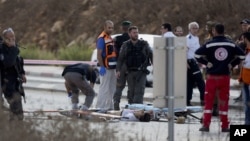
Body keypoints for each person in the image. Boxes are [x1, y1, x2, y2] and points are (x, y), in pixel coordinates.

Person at [195, 23, 245, 132]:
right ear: (223, 31)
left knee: (209, 101)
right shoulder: (231, 44)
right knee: (224, 101)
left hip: (211, 77)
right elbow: (242, 56)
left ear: (214, 31)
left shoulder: (209, 44)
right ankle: (225, 126)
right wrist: (231, 64)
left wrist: (207, 63)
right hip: (225, 76)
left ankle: (206, 125)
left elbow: (197, 55)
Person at [117, 26, 153, 104]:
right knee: (131, 92)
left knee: (139, 92)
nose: (136, 34)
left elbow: (151, 54)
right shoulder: (125, 45)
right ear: (129, 34)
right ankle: (131, 109)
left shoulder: (144, 44)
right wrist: (118, 70)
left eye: (137, 32)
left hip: (141, 72)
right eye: (134, 33)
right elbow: (120, 59)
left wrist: (155, 66)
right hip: (130, 72)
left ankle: (138, 110)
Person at [0, 28, 27, 120]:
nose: (12, 39)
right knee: (15, 109)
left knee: (17, 111)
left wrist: (22, 73)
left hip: (15, 84)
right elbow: (9, 62)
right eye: (10, 37)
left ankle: (14, 130)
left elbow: (18, 62)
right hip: (5, 84)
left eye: (13, 36)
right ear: (5, 39)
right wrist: (13, 48)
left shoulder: (14, 48)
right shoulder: (2, 49)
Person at [95, 20, 117, 110]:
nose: (111, 29)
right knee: (104, 88)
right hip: (105, 67)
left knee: (111, 88)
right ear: (104, 27)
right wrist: (102, 67)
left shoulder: (110, 38)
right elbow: (99, 54)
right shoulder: (101, 38)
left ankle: (109, 106)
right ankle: (100, 106)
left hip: (112, 67)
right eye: (109, 28)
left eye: (112, 28)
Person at [113, 20, 131, 110]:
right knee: (131, 86)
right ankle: (130, 104)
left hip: (120, 64)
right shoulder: (132, 39)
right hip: (131, 66)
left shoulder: (117, 39)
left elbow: (114, 52)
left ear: (122, 28)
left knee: (119, 86)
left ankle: (116, 102)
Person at [186, 22, 205, 106]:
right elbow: (185, 51)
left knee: (190, 82)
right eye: (193, 28)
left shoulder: (196, 38)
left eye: (196, 28)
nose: (195, 30)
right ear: (189, 29)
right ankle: (203, 100)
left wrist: (199, 62)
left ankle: (187, 101)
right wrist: (185, 63)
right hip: (190, 62)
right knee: (201, 82)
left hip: (195, 62)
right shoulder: (188, 38)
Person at [234, 18, 250, 102]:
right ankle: (242, 95)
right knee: (242, 78)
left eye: (245, 25)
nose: (243, 27)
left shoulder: (248, 35)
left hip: (247, 58)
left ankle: (244, 95)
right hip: (241, 59)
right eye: (242, 25)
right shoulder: (241, 35)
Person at [239, 32, 250, 125]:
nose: (242, 41)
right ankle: (247, 122)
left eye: (243, 39)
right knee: (246, 103)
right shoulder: (245, 50)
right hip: (245, 80)